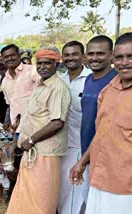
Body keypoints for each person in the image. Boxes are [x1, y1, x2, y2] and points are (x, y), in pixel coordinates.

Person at [70, 32, 132, 214]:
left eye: (130, 57)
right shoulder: (109, 89)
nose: (124, 62)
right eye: (120, 57)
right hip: (99, 176)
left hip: (125, 185)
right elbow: (101, 133)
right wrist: (82, 162)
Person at [7, 47, 71, 214]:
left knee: (41, 198)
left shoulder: (58, 88)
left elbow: (57, 122)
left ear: (56, 64)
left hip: (45, 153)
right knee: (26, 193)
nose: (42, 67)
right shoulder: (41, 84)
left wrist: (30, 140)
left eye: (47, 63)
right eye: (39, 63)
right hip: (33, 149)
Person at [58, 41, 91, 214]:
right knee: (61, 190)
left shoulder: (91, 79)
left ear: (83, 56)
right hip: (60, 144)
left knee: (74, 192)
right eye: (67, 55)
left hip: (80, 145)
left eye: (75, 54)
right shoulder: (59, 80)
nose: (70, 58)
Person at [1, 44, 40, 133]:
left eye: (12, 55)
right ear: (3, 60)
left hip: (36, 128)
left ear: (19, 55)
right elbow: (10, 105)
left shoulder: (32, 71)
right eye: (6, 57)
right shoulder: (4, 82)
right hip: (17, 129)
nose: (10, 58)